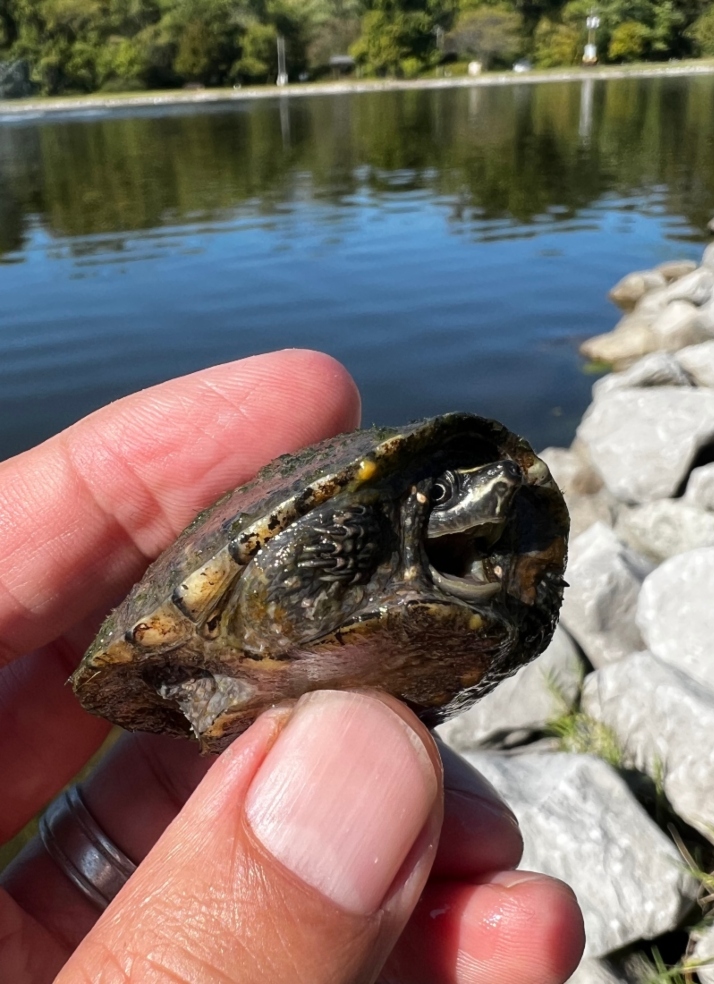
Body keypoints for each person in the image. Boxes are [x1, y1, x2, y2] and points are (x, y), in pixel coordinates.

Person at [0, 350, 585, 984]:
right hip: (213, 651)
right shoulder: (354, 526)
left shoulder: (496, 577)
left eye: (492, 495)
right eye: (445, 491)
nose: (488, 496)